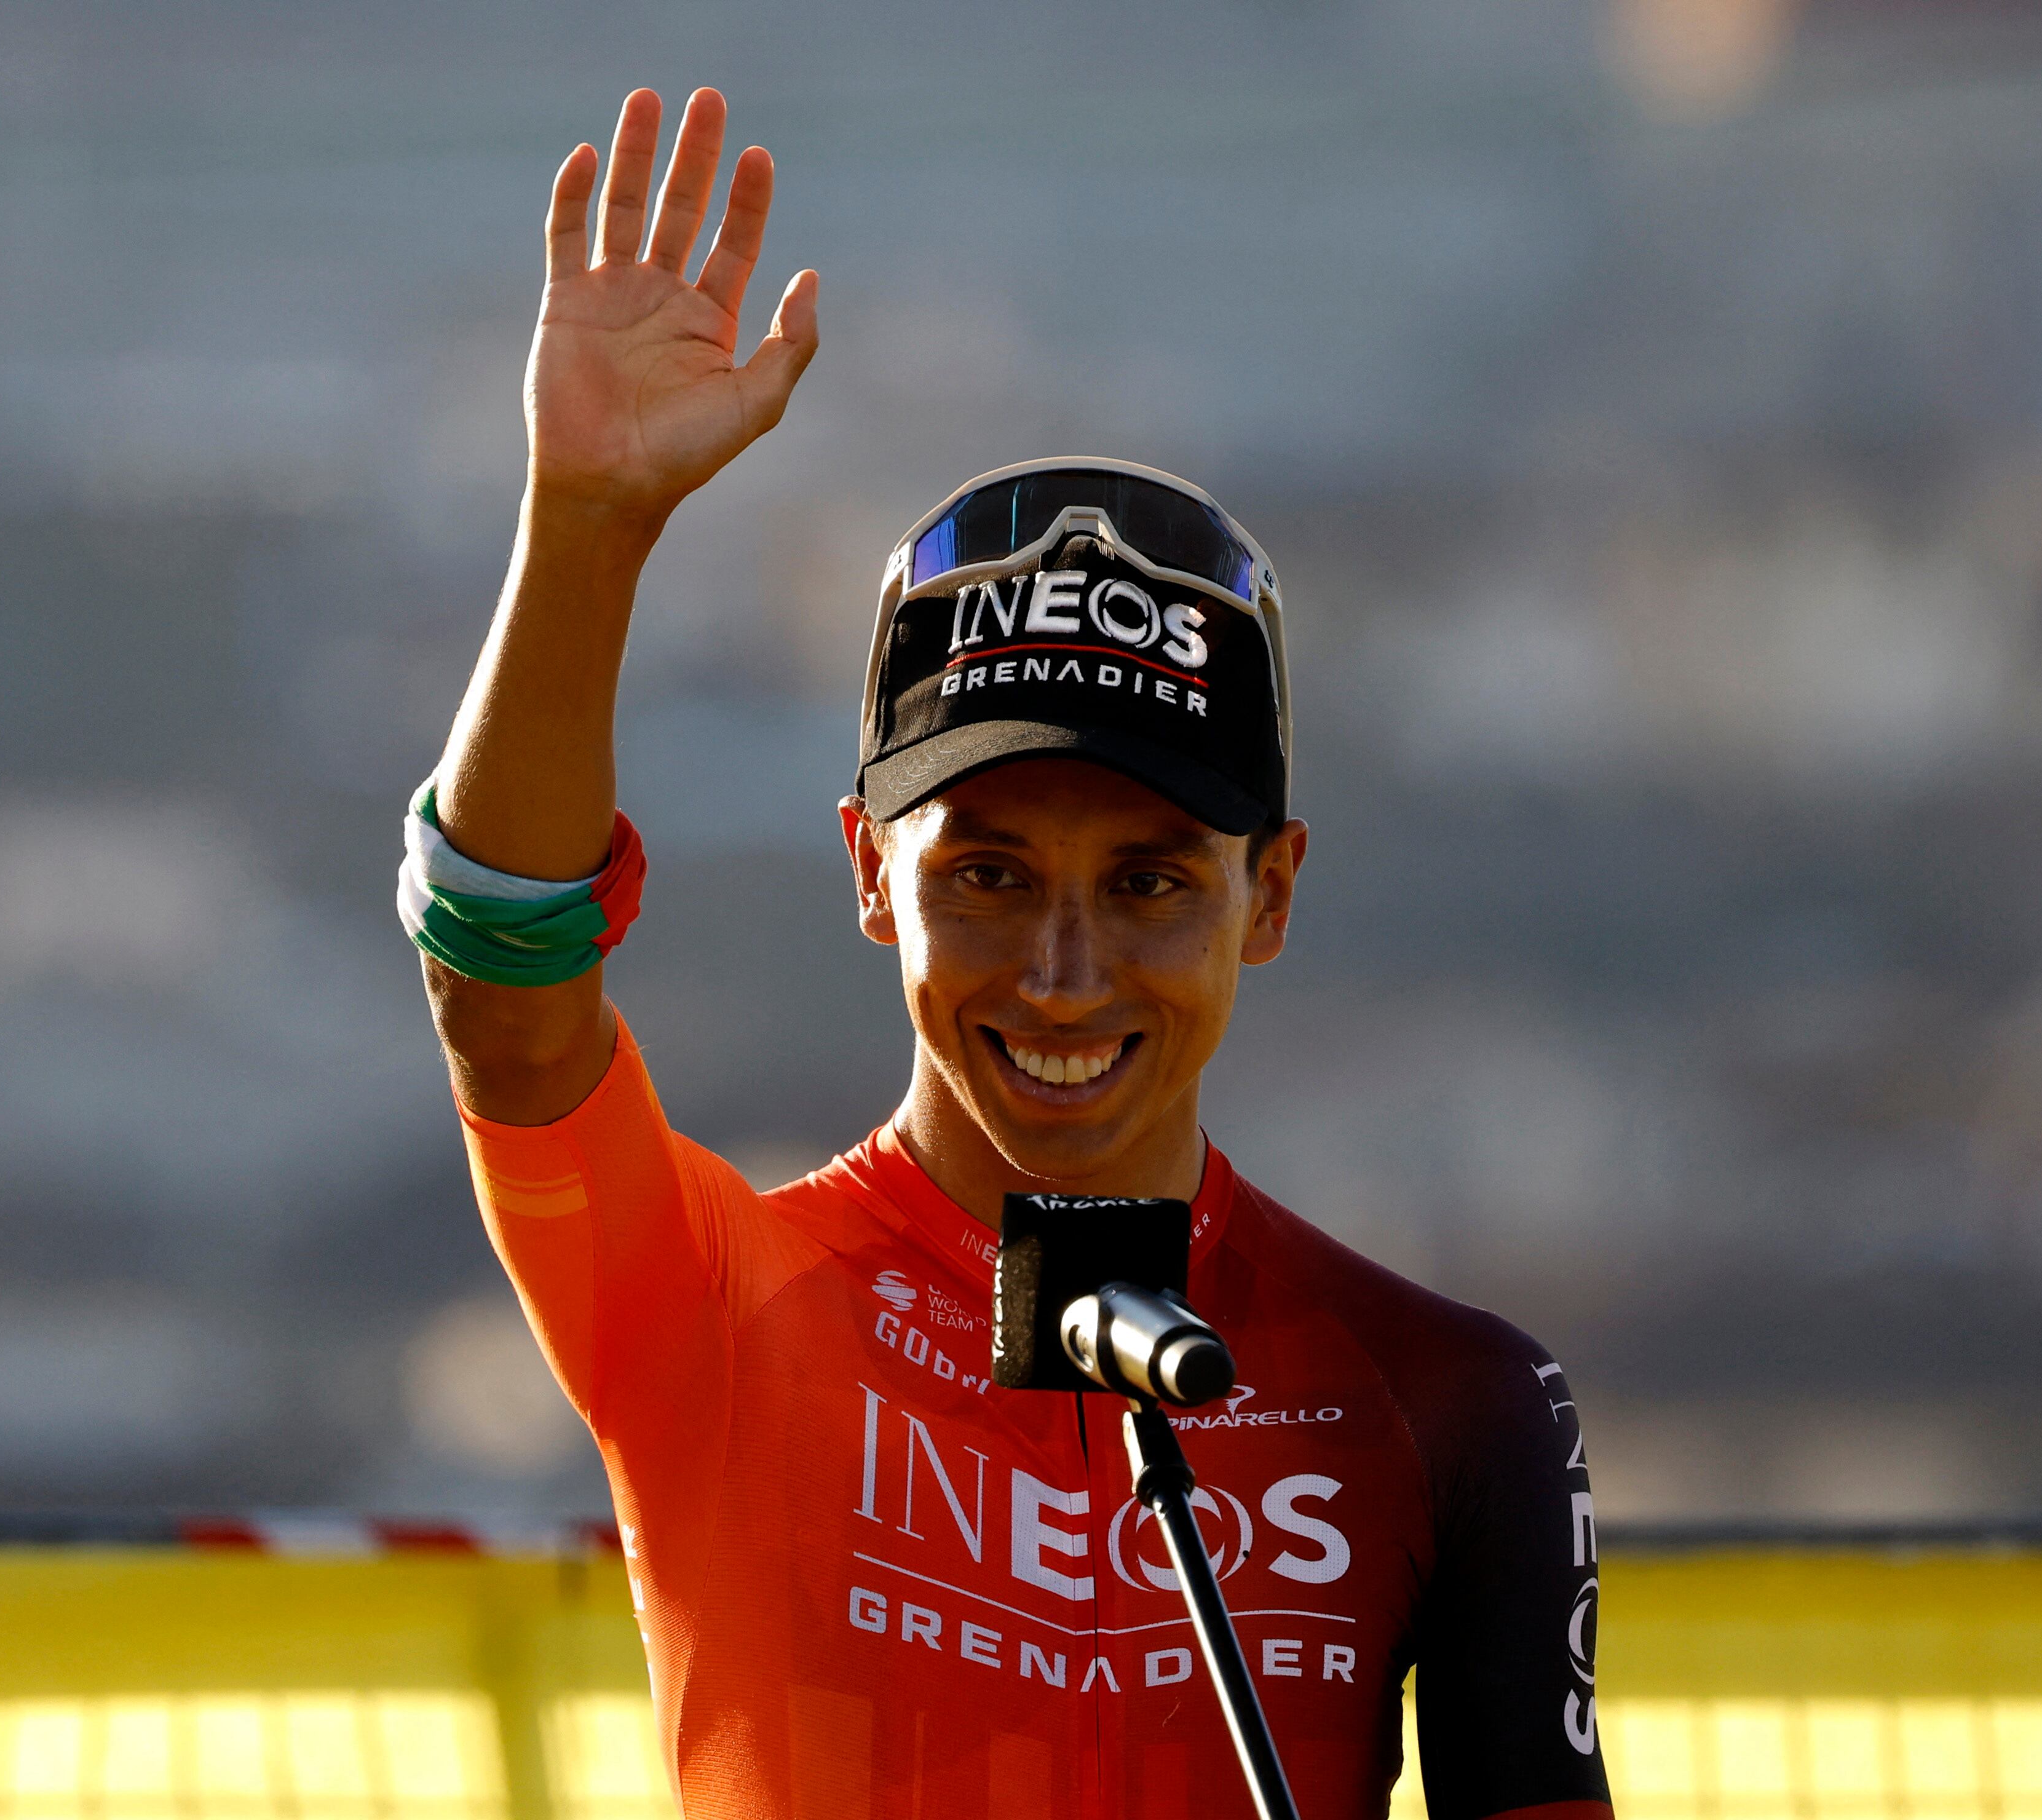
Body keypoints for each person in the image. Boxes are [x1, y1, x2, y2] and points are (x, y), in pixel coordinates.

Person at [406, 85, 1614, 1820]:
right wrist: (588, 527)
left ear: (1269, 897)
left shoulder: (1446, 1399)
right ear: (868, 875)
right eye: (983, 875)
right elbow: (504, 1000)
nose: (1059, 972)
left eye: (1147, 887)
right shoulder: (718, 1314)